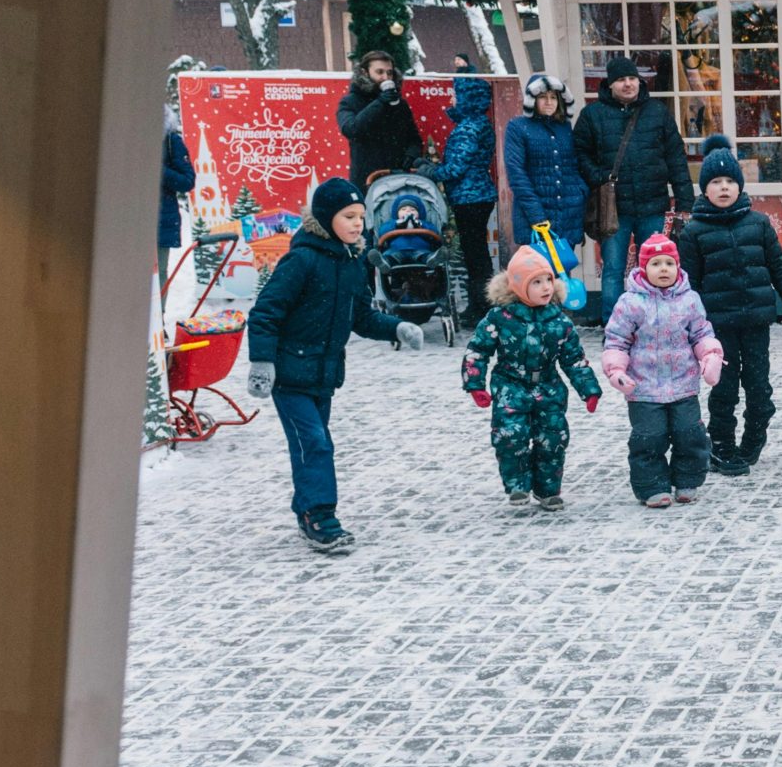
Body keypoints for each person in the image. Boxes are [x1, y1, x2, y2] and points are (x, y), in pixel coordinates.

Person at [245, 178, 422, 553]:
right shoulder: (302, 261)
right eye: (348, 216)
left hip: (323, 375)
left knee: (312, 445)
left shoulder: (352, 262)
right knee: (315, 443)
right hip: (288, 375)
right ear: (327, 219)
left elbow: (362, 317)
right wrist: (261, 363)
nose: (358, 224)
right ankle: (321, 517)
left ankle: (306, 509)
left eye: (361, 216)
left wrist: (397, 327)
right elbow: (265, 313)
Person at [676, 134, 782, 475]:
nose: (723, 188)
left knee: (759, 389)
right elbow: (688, 286)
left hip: (755, 323)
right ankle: (721, 447)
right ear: (705, 189)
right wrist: (688, 328)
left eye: (730, 181)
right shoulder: (694, 232)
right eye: (715, 182)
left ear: (740, 186)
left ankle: (752, 439)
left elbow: (779, 267)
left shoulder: (758, 224)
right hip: (717, 329)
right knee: (724, 390)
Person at [463, 247, 603, 510]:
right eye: (536, 282)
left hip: (548, 387)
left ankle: (547, 489)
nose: (545, 287)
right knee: (510, 437)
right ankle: (517, 485)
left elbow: (574, 358)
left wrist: (589, 390)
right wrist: (474, 384)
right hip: (510, 386)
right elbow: (478, 350)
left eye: (548, 280)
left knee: (553, 439)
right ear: (518, 287)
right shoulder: (500, 318)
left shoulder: (559, 320)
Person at [600, 233, 725, 509]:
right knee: (649, 439)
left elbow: (701, 333)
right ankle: (652, 486)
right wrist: (616, 370)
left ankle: (687, 480)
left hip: (683, 384)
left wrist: (710, 355)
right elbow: (617, 340)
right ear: (644, 268)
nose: (664, 269)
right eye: (656, 264)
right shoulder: (630, 302)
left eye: (669, 263)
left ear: (677, 267)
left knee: (689, 434)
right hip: (643, 388)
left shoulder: (689, 299)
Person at [574, 56, 692, 306]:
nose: (628, 84)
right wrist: (599, 177)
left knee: (654, 266)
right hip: (613, 209)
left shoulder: (657, 112)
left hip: (653, 205)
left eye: (632, 78)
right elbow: (580, 154)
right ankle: (614, 323)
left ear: (639, 81)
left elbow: (676, 157)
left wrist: (685, 200)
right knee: (613, 269)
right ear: (610, 84)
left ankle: (653, 317)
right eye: (621, 80)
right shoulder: (592, 115)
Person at [432, 77, 498, 325]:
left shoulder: (469, 127)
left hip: (470, 197)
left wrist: (432, 171)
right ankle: (482, 303)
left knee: (475, 255)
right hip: (477, 195)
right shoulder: (479, 123)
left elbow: (456, 168)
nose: (452, 99)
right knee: (477, 252)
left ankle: (481, 306)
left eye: (456, 95)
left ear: (468, 98)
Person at [503, 73, 587, 259]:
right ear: (532, 99)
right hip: (534, 214)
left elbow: (574, 166)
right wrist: (536, 214)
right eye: (542, 97)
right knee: (538, 273)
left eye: (553, 97)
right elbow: (516, 173)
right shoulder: (518, 127)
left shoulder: (564, 127)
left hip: (569, 213)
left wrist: (580, 192)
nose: (549, 102)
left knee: (563, 270)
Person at [337, 48, 429, 187]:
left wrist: (411, 156)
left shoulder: (399, 104)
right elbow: (351, 129)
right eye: (379, 72)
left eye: (389, 73)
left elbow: (414, 138)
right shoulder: (350, 101)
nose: (385, 77)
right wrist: (379, 103)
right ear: (365, 73)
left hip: (398, 177)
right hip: (366, 178)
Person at [158, 105, 194, 286]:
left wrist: (160, 171)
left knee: (158, 273)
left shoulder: (172, 142)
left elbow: (187, 181)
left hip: (161, 219)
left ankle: (159, 305)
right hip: (129, 219)